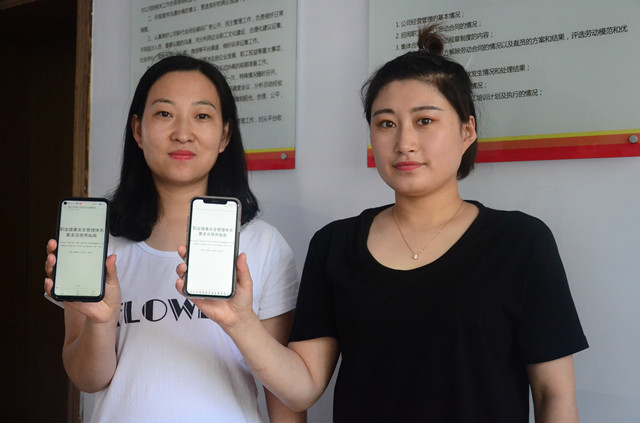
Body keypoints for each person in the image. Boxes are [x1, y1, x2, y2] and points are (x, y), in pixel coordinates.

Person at [176, 25, 589, 423]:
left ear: (467, 131)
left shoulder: (521, 242)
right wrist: (240, 322)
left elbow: (555, 396)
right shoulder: (335, 245)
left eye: (425, 121)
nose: (404, 142)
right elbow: (301, 389)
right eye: (386, 123)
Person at [44, 55, 305, 423]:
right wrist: (101, 322)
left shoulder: (262, 244)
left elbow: (285, 396)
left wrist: (241, 324)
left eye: (202, 116)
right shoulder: (98, 241)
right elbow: (88, 379)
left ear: (224, 135)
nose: (183, 133)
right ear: (138, 130)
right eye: (165, 114)